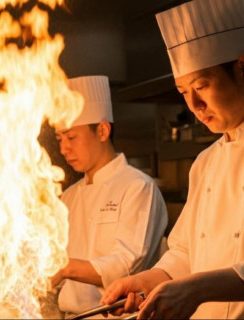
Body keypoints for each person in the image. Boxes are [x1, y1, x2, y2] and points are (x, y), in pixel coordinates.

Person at [100, 0, 244, 319]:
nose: (194, 104)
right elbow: (185, 253)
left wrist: (196, 289)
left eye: (201, 85)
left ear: (241, 67)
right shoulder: (205, 163)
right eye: (182, 91)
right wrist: (143, 282)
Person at [52, 75, 168, 317]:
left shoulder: (137, 187)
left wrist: (64, 268)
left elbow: (129, 262)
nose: (64, 149)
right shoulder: (68, 197)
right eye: (60, 139)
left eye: (71, 137)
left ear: (103, 130)